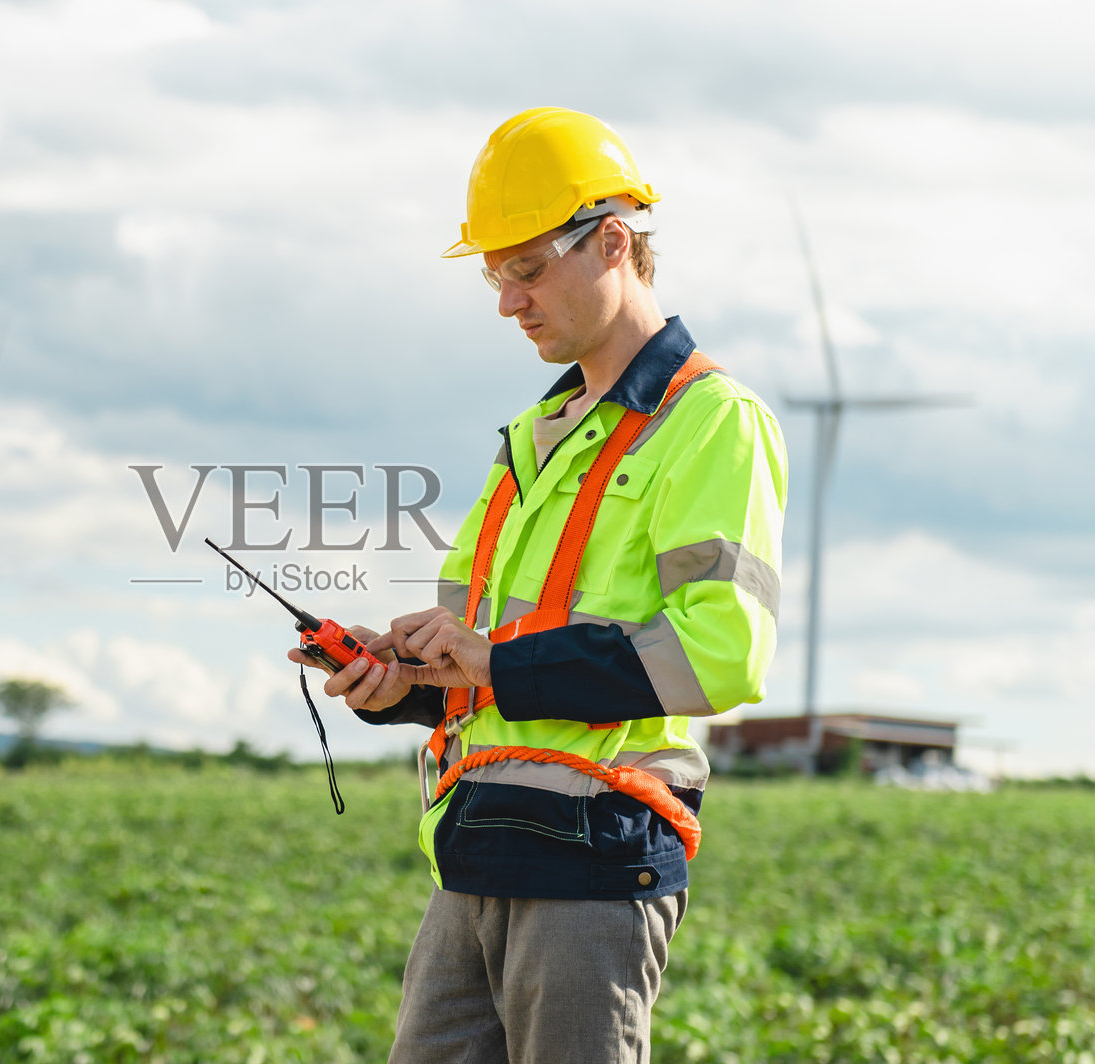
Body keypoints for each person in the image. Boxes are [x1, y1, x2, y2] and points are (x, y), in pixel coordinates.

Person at [291, 108, 788, 1062]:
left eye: (527, 269)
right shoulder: (533, 439)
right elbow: (475, 661)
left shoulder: (712, 424)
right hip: (474, 852)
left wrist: (492, 660)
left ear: (612, 242)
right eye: (495, 276)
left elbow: (720, 650)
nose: (508, 302)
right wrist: (398, 681)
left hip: (593, 861)